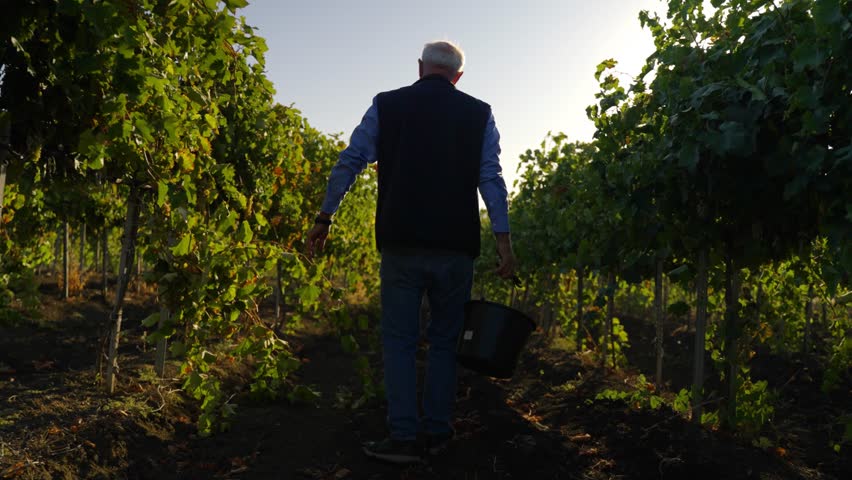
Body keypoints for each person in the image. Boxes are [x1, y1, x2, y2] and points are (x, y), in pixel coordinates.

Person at [306, 40, 516, 464]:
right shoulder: (479, 112)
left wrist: (324, 217)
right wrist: (504, 242)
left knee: (399, 342)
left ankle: (403, 437)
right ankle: (437, 434)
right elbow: (490, 178)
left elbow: (350, 161)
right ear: (458, 77)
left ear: (420, 67)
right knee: (443, 342)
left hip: (401, 243)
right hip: (456, 248)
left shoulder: (387, 105)